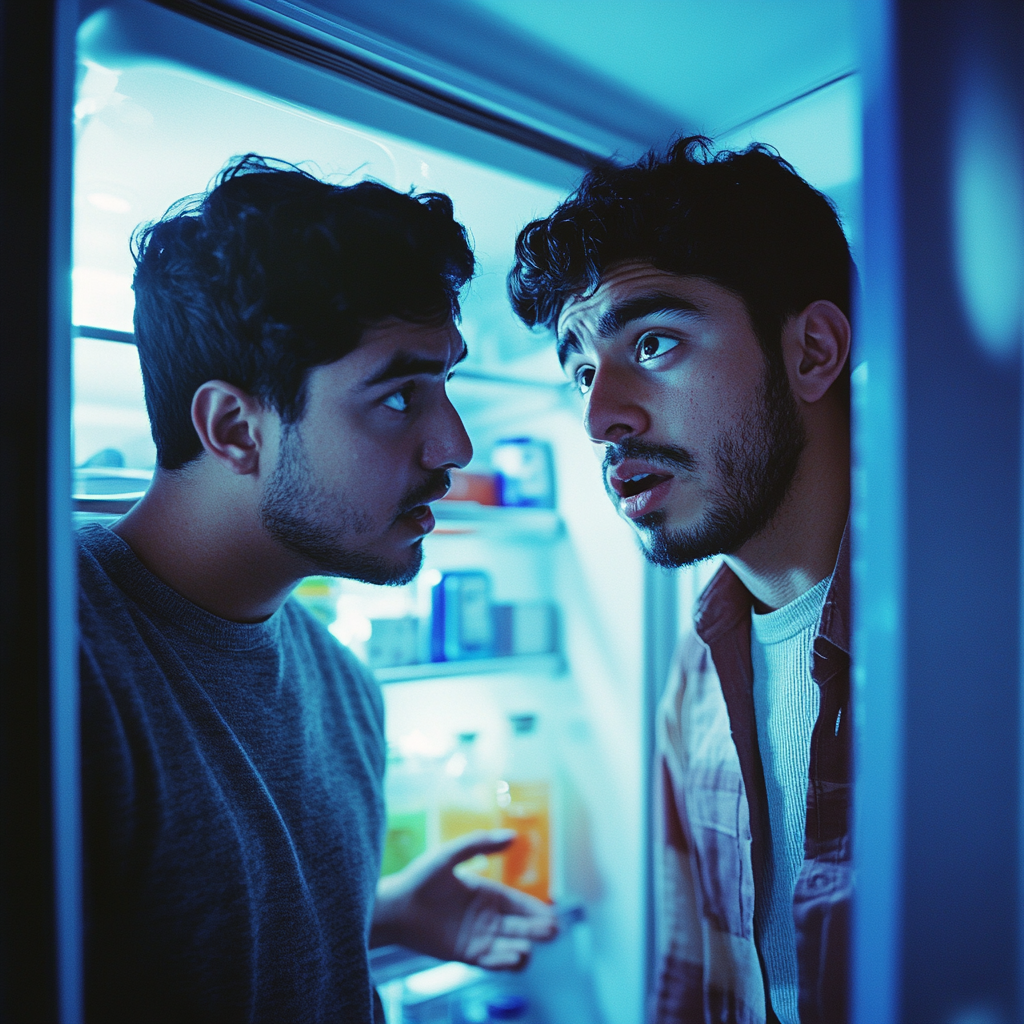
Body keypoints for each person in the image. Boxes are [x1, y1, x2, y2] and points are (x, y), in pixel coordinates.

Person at [79, 155, 555, 1024]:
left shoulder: (344, 688)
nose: (454, 444)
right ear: (233, 428)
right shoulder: (60, 653)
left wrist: (374, 914)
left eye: (443, 384)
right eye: (399, 395)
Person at [508, 137, 853, 1024]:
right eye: (582, 370)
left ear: (813, 351)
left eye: (653, 342)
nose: (599, 415)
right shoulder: (697, 679)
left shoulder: (980, 635)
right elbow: (695, 985)